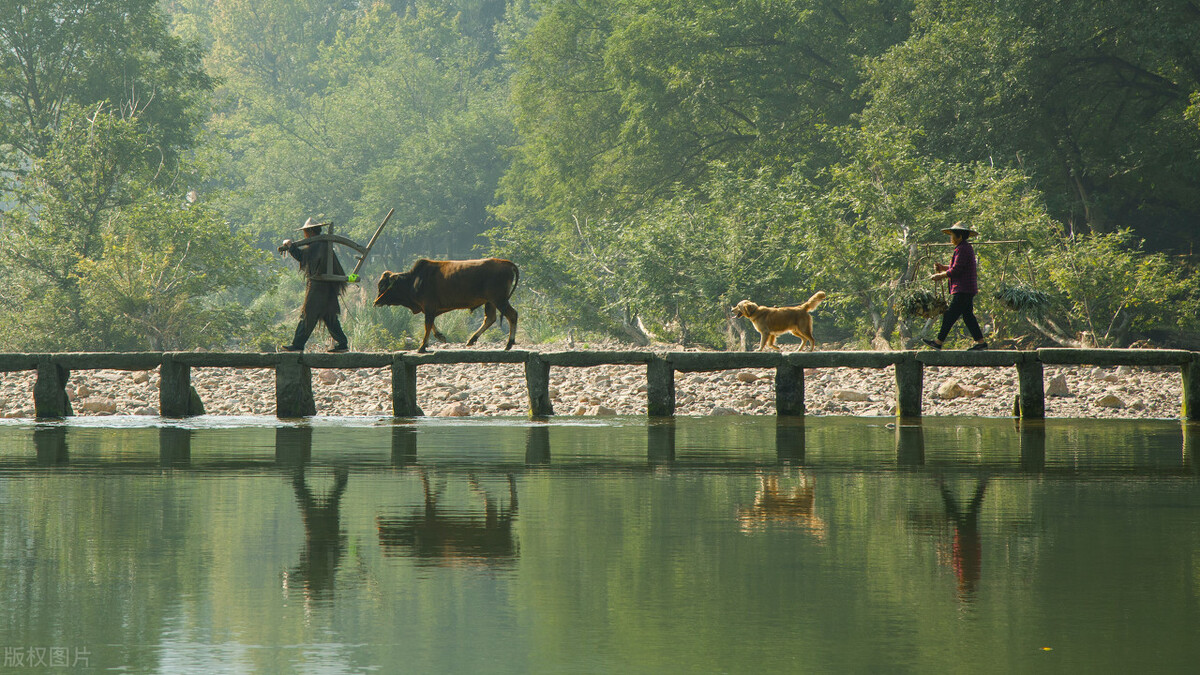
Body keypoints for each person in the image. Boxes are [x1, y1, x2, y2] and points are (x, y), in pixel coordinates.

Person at [279, 218, 350, 353]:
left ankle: (297, 345)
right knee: (329, 316)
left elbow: (302, 256)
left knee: (308, 314)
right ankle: (342, 344)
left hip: (318, 286)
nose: (305, 234)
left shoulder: (318, 245)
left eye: (305, 231)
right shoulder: (321, 244)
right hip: (327, 287)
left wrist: (290, 245)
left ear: (309, 231)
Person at [924, 222, 987, 351]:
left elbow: (957, 270)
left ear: (959, 237)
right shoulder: (962, 248)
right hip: (966, 288)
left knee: (950, 315)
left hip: (963, 288)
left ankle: (938, 342)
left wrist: (940, 275)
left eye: (952, 235)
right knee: (968, 316)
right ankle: (981, 343)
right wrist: (943, 268)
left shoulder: (963, 249)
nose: (951, 238)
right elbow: (957, 268)